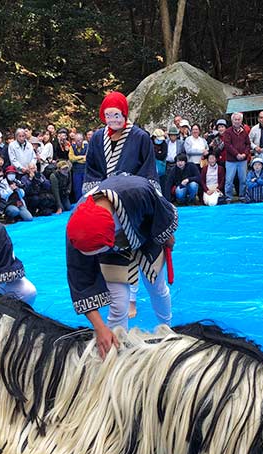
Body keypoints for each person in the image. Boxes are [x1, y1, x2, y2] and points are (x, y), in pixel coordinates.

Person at [65, 174, 177, 357]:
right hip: (112, 252)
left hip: (147, 234)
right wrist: (99, 328)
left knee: (157, 288)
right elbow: (80, 279)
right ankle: (117, 351)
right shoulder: (77, 229)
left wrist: (167, 236)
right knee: (118, 303)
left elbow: (161, 212)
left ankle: (168, 332)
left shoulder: (137, 190)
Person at [84, 91, 157, 193]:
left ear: (124, 113)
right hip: (102, 192)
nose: (112, 120)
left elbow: (148, 169)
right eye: (108, 116)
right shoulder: (97, 138)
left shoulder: (141, 137)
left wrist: (128, 184)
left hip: (133, 192)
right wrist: (102, 189)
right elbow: (91, 168)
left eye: (116, 115)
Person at [69, 132, 88, 202]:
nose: (79, 142)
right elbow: (71, 159)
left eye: (80, 140)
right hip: (76, 171)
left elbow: (87, 159)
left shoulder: (87, 146)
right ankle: (78, 204)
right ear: (75, 141)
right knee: (77, 189)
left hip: (85, 171)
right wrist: (81, 157)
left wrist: (76, 158)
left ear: (82, 140)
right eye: (77, 140)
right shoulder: (72, 147)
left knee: (85, 188)